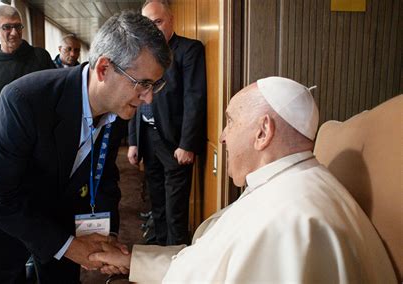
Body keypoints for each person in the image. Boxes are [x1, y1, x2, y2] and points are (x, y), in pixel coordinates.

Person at [89, 77, 397, 283]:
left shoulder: (292, 219)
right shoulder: (292, 181)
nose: (222, 137)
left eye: (231, 121)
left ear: (263, 132)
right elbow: (210, 263)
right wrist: (135, 261)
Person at [0, 11, 171, 283]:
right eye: (142, 84)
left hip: (59, 209)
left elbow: (105, 177)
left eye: (154, 86)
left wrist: (106, 235)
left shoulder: (118, 108)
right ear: (104, 69)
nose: (148, 98)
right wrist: (71, 247)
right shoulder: (23, 99)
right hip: (2, 216)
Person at [128, 0, 206, 245]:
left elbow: (194, 97)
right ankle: (160, 245)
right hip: (147, 137)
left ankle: (176, 255)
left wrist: (187, 144)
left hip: (174, 141)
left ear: (171, 20)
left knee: (176, 207)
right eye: (147, 24)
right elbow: (134, 97)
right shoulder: (141, 54)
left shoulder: (188, 49)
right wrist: (132, 141)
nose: (153, 29)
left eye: (158, 22)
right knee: (157, 199)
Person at [0, 4, 54, 126]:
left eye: (18, 26)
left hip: (45, 134)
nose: (14, 33)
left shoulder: (41, 57)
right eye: (7, 27)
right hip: (10, 139)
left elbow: (56, 96)